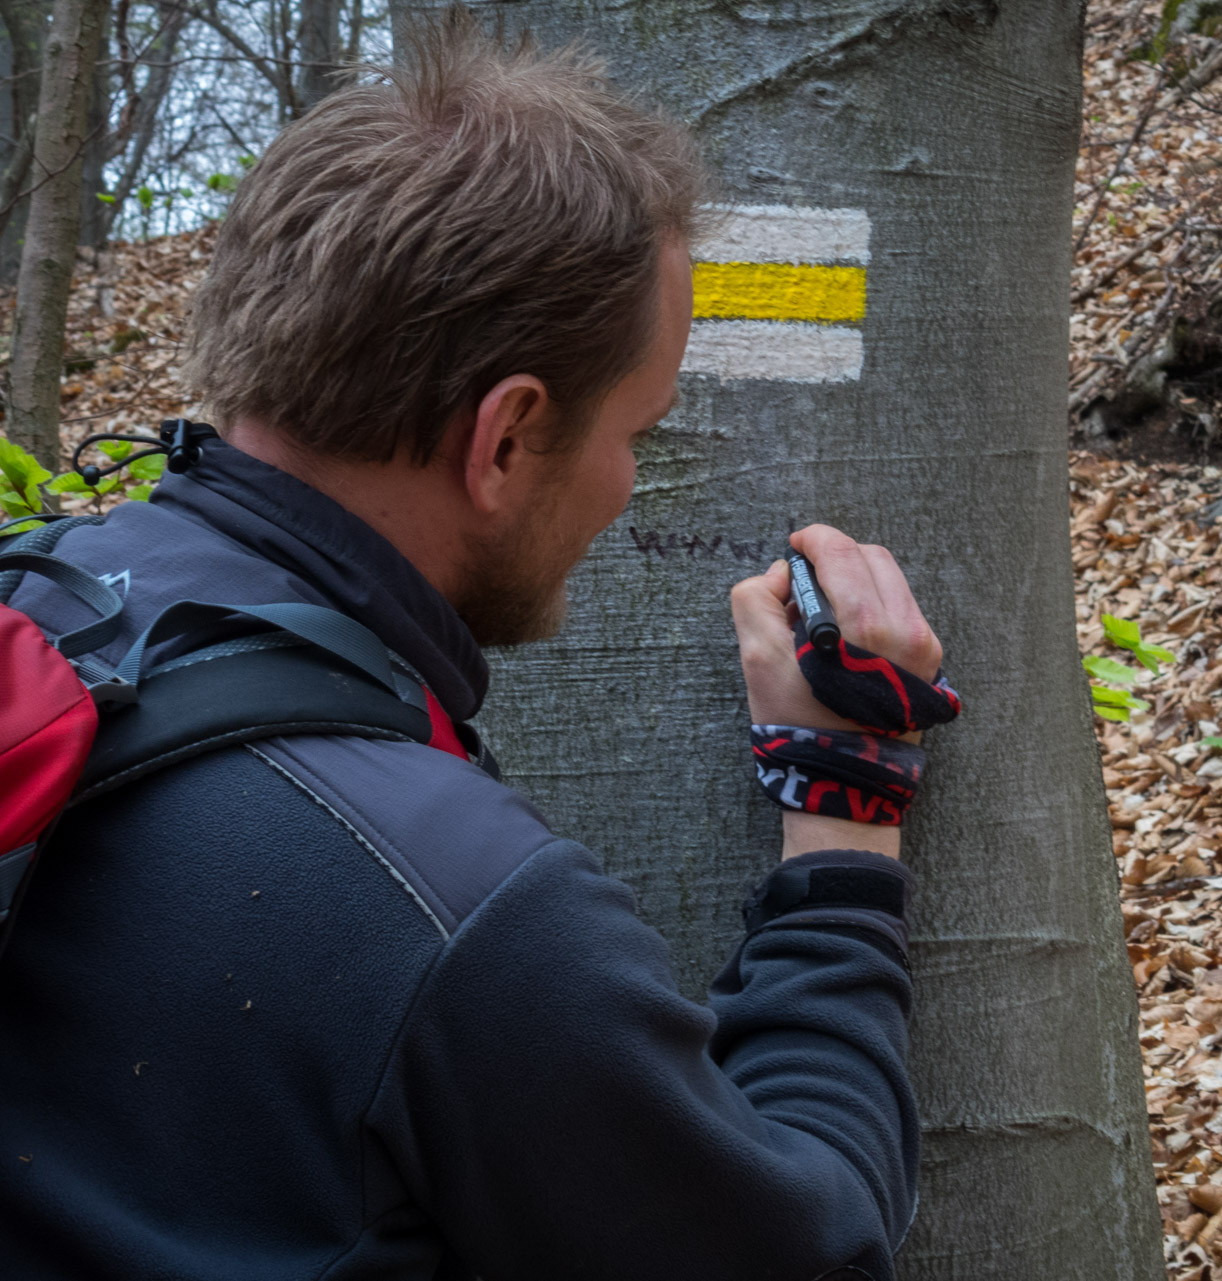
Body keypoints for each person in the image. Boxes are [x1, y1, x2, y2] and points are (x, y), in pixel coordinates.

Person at [0, 13, 938, 1280]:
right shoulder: (456, 909)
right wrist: (846, 818)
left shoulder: (38, 609)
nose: (625, 485)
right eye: (638, 434)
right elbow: (807, 1248)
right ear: (504, 440)